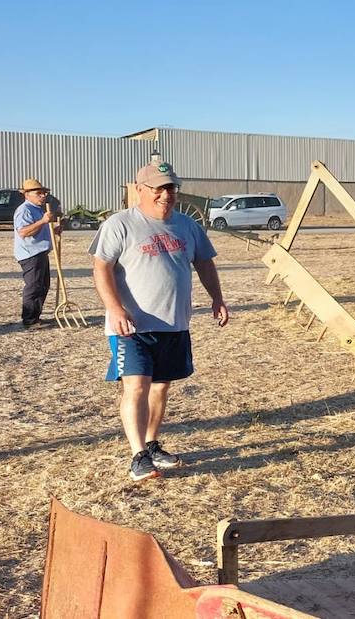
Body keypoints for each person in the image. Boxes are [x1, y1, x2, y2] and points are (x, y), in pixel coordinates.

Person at [90, 160, 229, 482]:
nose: (167, 195)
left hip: (174, 323)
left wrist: (217, 298)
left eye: (171, 188)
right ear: (140, 190)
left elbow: (205, 263)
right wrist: (114, 308)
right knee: (136, 386)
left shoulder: (187, 226)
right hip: (131, 326)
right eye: (159, 188)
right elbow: (101, 268)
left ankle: (152, 444)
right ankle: (138, 456)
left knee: (160, 387)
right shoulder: (120, 224)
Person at [12, 178, 60, 328]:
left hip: (41, 253)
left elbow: (40, 230)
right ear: (27, 195)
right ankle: (29, 320)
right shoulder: (24, 210)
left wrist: (55, 230)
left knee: (43, 286)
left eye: (44, 192)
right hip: (30, 254)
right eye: (38, 193)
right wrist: (43, 222)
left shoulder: (39, 209)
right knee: (33, 287)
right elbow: (24, 232)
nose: (43, 195)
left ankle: (35, 317)